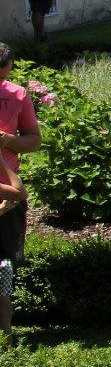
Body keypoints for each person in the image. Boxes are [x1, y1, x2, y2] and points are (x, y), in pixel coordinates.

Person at [0, 44, 43, 348]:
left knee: (5, 266)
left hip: (9, 196)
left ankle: (6, 334)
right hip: (10, 194)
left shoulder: (17, 95)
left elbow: (34, 142)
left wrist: (8, 140)